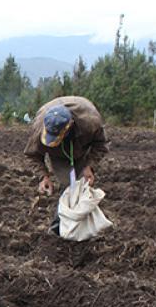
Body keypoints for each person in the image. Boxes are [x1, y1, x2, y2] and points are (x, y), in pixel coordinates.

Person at [24, 96, 109, 234]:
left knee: (82, 186)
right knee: (68, 186)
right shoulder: (39, 128)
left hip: (82, 147)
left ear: (69, 127)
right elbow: (32, 154)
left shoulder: (90, 123)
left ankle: (83, 228)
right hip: (59, 156)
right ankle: (59, 228)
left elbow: (101, 145)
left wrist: (89, 167)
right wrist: (43, 176)